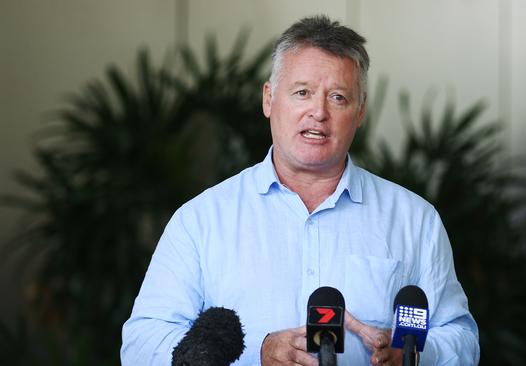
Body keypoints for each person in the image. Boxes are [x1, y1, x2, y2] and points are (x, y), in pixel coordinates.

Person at [121, 15, 479, 365]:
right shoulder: (200, 221)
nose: (318, 112)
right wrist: (255, 355)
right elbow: (141, 345)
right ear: (268, 99)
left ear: (360, 112)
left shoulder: (414, 221)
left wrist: (415, 354)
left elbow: (460, 338)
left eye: (338, 97)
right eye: (302, 92)